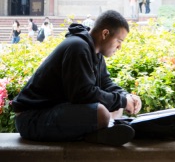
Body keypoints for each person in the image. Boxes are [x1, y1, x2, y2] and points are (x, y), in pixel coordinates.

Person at [12, 10, 142, 146]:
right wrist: (121, 100)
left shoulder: (95, 53)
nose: (119, 47)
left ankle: (100, 132)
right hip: (32, 119)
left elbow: (106, 83)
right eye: (119, 41)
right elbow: (82, 94)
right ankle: (94, 135)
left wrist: (127, 97)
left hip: (54, 112)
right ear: (105, 34)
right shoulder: (77, 47)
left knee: (117, 106)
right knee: (102, 113)